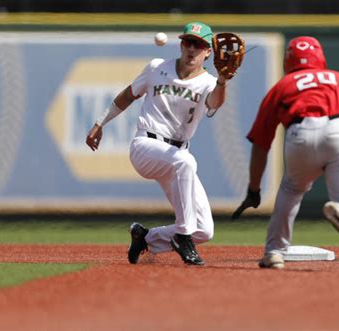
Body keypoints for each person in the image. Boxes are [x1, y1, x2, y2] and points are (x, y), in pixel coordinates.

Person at [232, 36, 339, 269]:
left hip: (300, 132)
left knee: (291, 190)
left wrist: (254, 189)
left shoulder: (283, 85)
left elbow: (261, 144)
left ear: (288, 60)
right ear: (320, 57)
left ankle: (274, 252)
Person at [86, 22, 232, 266]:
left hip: (175, 157)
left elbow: (215, 103)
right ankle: (182, 239)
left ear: (208, 52)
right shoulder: (156, 67)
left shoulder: (209, 82)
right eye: (188, 42)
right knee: (186, 162)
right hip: (146, 146)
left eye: (199, 45)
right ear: (181, 44)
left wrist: (223, 81)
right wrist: (100, 122)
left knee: (205, 230)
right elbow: (128, 95)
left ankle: (146, 237)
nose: (192, 49)